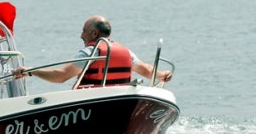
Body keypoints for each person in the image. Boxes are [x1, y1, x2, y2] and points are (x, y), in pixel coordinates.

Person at [12, 15, 173, 87]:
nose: (81, 35)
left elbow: (60, 77)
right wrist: (162, 75)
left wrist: (30, 71)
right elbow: (145, 70)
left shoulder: (89, 53)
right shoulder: (127, 53)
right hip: (119, 101)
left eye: (84, 31)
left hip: (95, 102)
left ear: (94, 33)